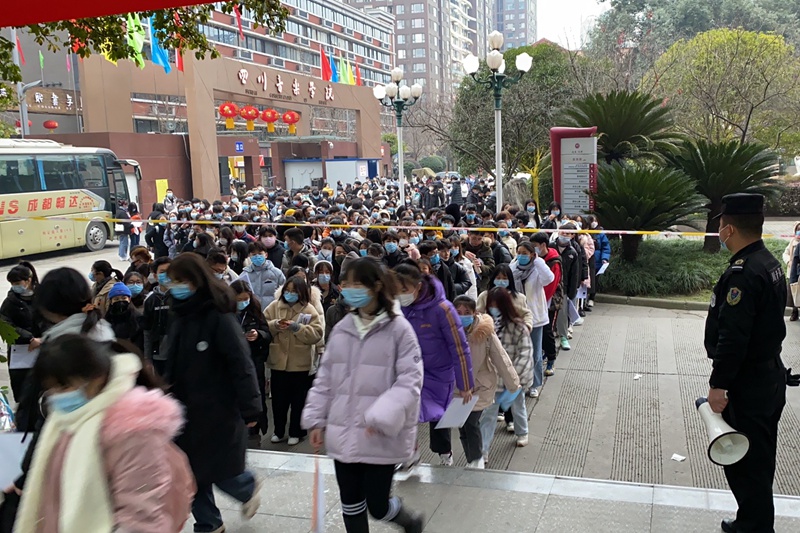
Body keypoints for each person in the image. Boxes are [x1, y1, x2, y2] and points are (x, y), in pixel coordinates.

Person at [13, 335, 195, 533]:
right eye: (51, 389)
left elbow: (140, 519)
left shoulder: (133, 431)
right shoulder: (69, 417)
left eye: (64, 386)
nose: (56, 396)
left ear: (96, 378)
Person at [302, 258, 425, 533]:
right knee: (351, 502)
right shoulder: (343, 328)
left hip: (379, 434)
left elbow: (410, 380)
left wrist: (381, 415)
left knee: (377, 505)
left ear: (376, 286)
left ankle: (409, 521)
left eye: (357, 284)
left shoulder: (399, 330)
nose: (348, 289)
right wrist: (316, 418)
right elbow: (325, 378)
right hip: (343, 429)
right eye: (346, 283)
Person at [705, 194, 791, 533]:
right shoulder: (768, 262)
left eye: (721, 226)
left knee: (745, 462)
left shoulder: (743, 273)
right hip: (768, 376)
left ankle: (753, 527)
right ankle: (753, 521)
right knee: (760, 458)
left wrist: (718, 385)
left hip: (749, 383)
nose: (720, 232)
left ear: (728, 229)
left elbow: (734, 338)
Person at [162, 253, 263, 533]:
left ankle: (247, 486)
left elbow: (240, 363)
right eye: (172, 281)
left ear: (196, 281)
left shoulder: (218, 316)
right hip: (183, 409)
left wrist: (251, 406)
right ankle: (209, 523)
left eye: (181, 281)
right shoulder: (179, 314)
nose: (175, 287)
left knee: (219, 471)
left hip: (217, 409)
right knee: (189, 473)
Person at [395, 262, 474, 467]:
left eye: (404, 289)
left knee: (437, 414)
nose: (401, 294)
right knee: (405, 412)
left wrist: (465, 384)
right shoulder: (399, 307)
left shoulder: (443, 309)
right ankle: (410, 454)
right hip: (410, 370)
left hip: (439, 372)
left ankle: (444, 453)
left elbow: (459, 347)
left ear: (418, 286)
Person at [454, 295, 519, 469]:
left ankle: (477, 459)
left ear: (474, 313)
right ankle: (471, 459)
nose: (462, 316)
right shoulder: (448, 331)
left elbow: (500, 356)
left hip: (480, 385)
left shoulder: (484, 332)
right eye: (458, 312)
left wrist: (513, 383)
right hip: (457, 388)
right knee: (462, 426)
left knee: (471, 422)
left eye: (466, 312)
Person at [264, 276, 324, 446]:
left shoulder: (309, 309)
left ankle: (296, 431)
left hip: (300, 363)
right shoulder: (274, 306)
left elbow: (317, 334)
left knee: (298, 401)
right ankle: (278, 430)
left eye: (294, 291)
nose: (290, 294)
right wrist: (275, 325)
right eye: (287, 291)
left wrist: (297, 328)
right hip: (278, 362)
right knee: (278, 400)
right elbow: (263, 325)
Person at [480, 287, 533, 450]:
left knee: (518, 407)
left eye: (497, 305)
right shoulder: (485, 325)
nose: (493, 308)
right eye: (491, 305)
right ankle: (483, 449)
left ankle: (522, 432)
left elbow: (525, 354)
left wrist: (515, 378)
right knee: (488, 414)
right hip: (493, 379)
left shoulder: (518, 327)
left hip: (513, 377)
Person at [511, 242, 555, 397]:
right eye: (519, 252)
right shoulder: (513, 267)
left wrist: (538, 260)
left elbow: (549, 278)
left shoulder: (537, 268)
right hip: (517, 317)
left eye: (525, 253)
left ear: (532, 254)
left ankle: (534, 384)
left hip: (535, 317)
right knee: (518, 352)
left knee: (535, 353)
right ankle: (519, 382)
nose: (521, 256)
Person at [231, 280, 271, 439]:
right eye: (239, 299)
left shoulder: (254, 310)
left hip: (254, 360)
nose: (243, 302)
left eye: (245, 299)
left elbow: (267, 333)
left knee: (255, 395)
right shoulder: (225, 313)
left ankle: (256, 431)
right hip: (233, 362)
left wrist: (258, 335)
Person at [0, 262, 41, 400]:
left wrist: (43, 339)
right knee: (22, 391)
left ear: (28, 280)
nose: (14, 286)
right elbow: (5, 325)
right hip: (20, 351)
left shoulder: (43, 298)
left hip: (43, 347)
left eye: (17, 283)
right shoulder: (10, 302)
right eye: (12, 283)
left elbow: (52, 319)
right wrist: (30, 338)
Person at [530, 232, 563, 377]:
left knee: (547, 331)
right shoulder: (533, 258)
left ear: (543, 245)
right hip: (534, 300)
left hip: (549, 301)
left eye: (534, 246)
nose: (532, 249)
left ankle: (551, 359)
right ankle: (541, 353)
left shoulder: (554, 261)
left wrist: (539, 301)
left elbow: (551, 285)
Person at [142, 258, 172, 376]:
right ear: (155, 276)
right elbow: (147, 331)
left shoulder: (180, 296)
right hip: (159, 353)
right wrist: (147, 358)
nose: (167, 275)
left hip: (179, 352)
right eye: (162, 272)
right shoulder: (150, 300)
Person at [104, 283, 143, 351]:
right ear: (111, 301)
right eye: (116, 299)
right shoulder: (107, 319)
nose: (120, 301)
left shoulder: (137, 317)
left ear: (129, 299)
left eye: (124, 298)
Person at [587, 214, 610, 309]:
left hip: (597, 261)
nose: (594, 223)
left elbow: (606, 247)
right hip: (587, 260)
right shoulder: (585, 232)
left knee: (594, 280)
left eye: (595, 220)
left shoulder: (601, 233)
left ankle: (591, 298)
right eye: (592, 221)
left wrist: (605, 258)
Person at [782, 221, 800, 321]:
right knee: (794, 293)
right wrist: (789, 261)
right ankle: (794, 312)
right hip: (792, 272)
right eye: (798, 229)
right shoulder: (793, 242)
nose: (799, 231)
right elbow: (786, 253)